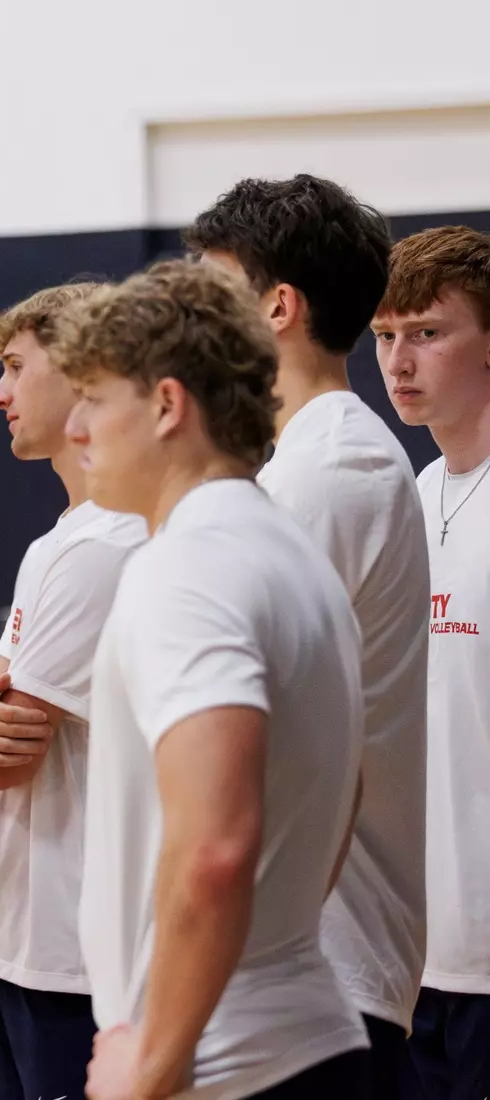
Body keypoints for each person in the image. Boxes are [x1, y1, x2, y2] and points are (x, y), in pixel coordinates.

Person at [50, 259, 370, 1099]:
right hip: (293, 1038)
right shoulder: (289, 552)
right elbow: (339, 809)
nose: (75, 426)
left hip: (228, 1066)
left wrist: (154, 1061)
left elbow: (218, 847)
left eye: (92, 394)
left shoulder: (188, 570)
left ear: (166, 405)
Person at [185, 175, 430, 1099]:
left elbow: (273, 740)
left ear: (277, 306)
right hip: (288, 964)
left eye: (210, 292)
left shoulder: (332, 469)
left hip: (318, 967)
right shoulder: (298, 461)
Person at [0, 281, 147, 1100]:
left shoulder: (107, 547)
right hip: (26, 952)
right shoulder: (62, 540)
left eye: (16, 367)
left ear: (83, 369)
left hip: (81, 961)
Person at [371, 224, 490, 1100]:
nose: (398, 361)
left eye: (428, 332)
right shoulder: (410, 497)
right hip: (416, 956)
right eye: (384, 336)